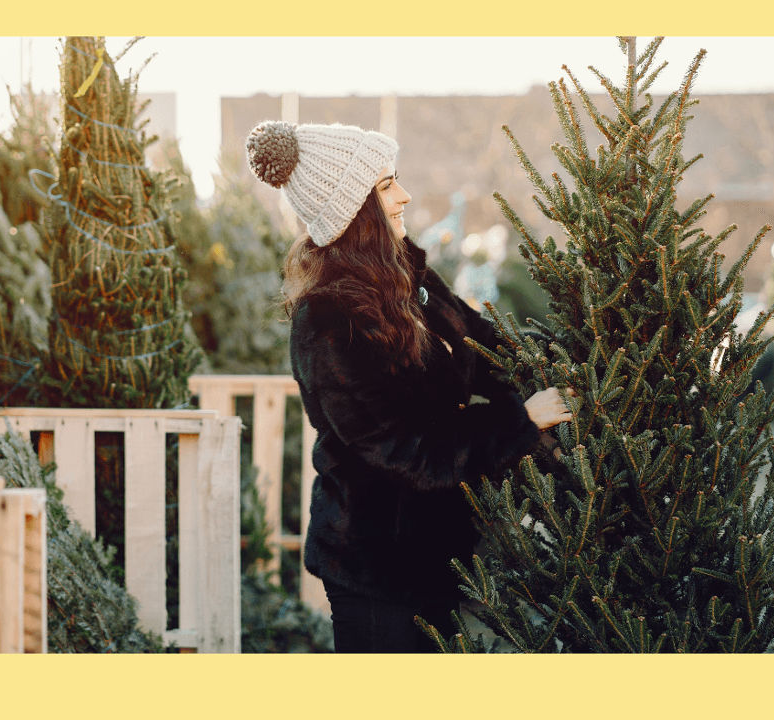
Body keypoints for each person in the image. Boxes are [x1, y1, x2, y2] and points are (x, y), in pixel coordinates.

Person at [246, 120, 575, 653]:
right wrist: (519, 420)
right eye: (384, 186)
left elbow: (482, 344)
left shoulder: (407, 278)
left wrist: (567, 357)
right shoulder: (329, 321)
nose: (404, 195)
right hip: (378, 567)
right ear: (353, 209)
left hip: (435, 553)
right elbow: (407, 448)